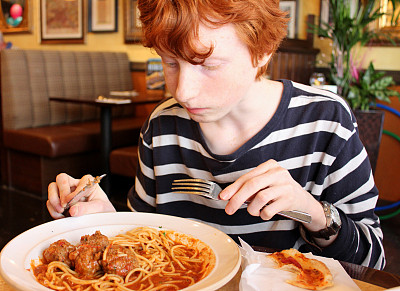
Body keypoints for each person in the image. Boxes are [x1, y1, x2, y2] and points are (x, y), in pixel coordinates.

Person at [47, 0, 385, 269]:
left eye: (208, 65)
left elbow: (373, 262)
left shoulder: (325, 121)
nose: (184, 92)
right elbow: (145, 242)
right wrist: (108, 220)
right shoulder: (162, 125)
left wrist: (311, 212)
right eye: (170, 63)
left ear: (262, 50)